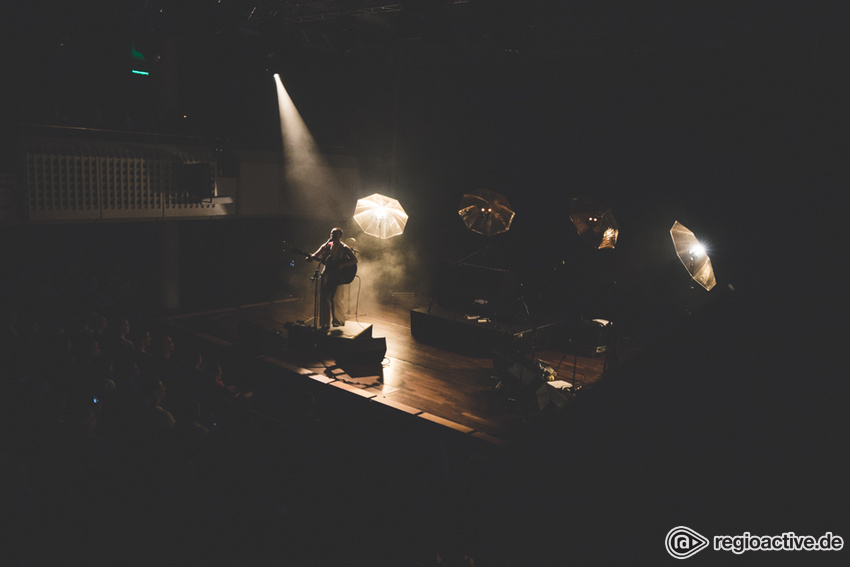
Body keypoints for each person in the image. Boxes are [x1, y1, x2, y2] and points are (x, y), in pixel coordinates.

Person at [309, 227, 357, 330]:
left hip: (338, 276)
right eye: (332, 233)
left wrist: (342, 265)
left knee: (336, 298)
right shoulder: (326, 245)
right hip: (326, 274)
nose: (332, 236)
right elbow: (316, 254)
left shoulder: (344, 247)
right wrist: (311, 257)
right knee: (324, 299)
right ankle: (325, 323)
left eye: (335, 234)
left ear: (340, 236)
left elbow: (354, 260)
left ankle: (338, 322)